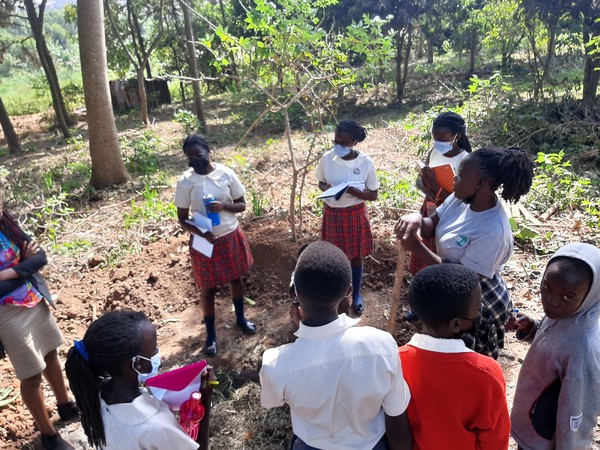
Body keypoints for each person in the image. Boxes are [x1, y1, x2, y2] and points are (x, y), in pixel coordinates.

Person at [260, 241, 412, 450]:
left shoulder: (275, 364)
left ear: (293, 293)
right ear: (348, 290)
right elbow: (396, 416)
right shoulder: (382, 346)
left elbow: (273, 401)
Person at [395, 146, 534, 359]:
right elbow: (432, 224)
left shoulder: (493, 232)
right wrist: (417, 219)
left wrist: (415, 247)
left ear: (482, 183)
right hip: (449, 283)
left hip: (474, 298)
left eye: (460, 174)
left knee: (465, 357)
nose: (454, 179)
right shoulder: (461, 198)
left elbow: (460, 278)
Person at [399, 264, 510, 450]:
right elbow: (495, 441)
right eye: (477, 307)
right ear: (456, 324)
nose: (480, 312)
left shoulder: (396, 362)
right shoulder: (487, 374)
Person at [0, 201, 77, 450]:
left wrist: (10, 272)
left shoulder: (7, 226)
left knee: (50, 353)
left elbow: (41, 257)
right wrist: (24, 265)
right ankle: (49, 435)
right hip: (7, 314)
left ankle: (65, 405)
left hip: (33, 300)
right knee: (31, 374)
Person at [508, 243, 600, 450]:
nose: (551, 301)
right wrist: (532, 327)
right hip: (531, 423)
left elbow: (579, 408)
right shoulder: (564, 313)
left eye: (567, 296)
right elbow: (553, 342)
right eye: (547, 287)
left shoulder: (583, 346)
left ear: (591, 296)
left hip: (544, 437)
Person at [64, 310, 200, 450]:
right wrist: (204, 402)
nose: (157, 352)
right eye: (154, 348)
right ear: (138, 364)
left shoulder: (92, 397)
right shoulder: (158, 425)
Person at [174, 134, 256, 357]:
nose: (194, 160)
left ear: (208, 151)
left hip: (229, 235)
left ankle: (241, 319)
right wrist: (202, 233)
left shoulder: (226, 174)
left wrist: (223, 206)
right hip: (204, 240)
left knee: (235, 279)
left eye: (198, 155)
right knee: (208, 288)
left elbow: (242, 205)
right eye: (190, 158)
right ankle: (211, 336)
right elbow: (182, 219)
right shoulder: (186, 182)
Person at [316, 119, 379, 316]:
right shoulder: (327, 159)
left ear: (355, 142)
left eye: (344, 143)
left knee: (356, 255)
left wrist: (352, 190)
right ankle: (338, 294)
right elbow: (321, 182)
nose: (339, 146)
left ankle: (357, 294)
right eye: (336, 141)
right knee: (333, 256)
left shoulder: (365, 163)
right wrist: (328, 189)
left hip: (354, 213)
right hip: (333, 213)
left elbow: (373, 194)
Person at [410, 111, 472, 275]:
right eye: (435, 138)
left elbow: (461, 202)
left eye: (443, 139)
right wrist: (427, 189)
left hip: (451, 217)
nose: (438, 143)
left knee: (440, 258)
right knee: (423, 254)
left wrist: (435, 187)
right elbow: (420, 180)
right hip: (430, 209)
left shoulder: (466, 161)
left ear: (457, 137)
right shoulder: (435, 152)